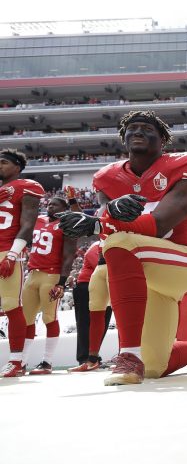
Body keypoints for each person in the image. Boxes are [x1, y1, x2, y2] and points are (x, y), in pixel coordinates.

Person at [58, 110, 187, 385]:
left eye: (147, 128)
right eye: (132, 128)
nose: (139, 132)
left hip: (184, 261)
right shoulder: (107, 178)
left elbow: (160, 224)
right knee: (155, 365)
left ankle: (128, 355)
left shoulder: (185, 165)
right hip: (144, 272)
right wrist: (102, 219)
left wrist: (99, 224)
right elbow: (107, 224)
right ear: (123, 138)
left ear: (163, 139)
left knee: (119, 242)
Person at [0, 149, 45, 378]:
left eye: (4, 162)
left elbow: (27, 223)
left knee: (11, 305)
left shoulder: (26, 185)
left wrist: (12, 254)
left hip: (6, 250)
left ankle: (16, 361)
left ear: (17, 167)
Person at [20, 197, 77, 374]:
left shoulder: (66, 224)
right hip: (32, 274)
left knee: (49, 317)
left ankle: (47, 362)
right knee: (25, 320)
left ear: (65, 208)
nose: (50, 206)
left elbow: (69, 256)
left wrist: (61, 282)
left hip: (51, 275)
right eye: (49, 204)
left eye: (55, 204)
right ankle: (21, 361)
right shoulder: (39, 220)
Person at [69, 240, 112, 371]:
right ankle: (84, 358)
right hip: (86, 285)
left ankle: (94, 356)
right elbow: (100, 264)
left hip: (105, 284)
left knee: (103, 322)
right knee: (84, 323)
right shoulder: (96, 246)